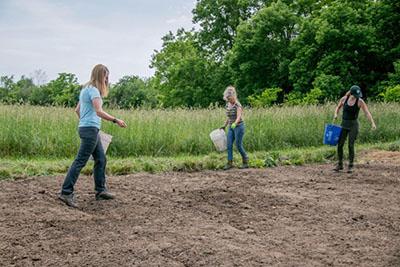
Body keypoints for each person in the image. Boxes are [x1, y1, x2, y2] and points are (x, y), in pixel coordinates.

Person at [59, 64, 127, 208]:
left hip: (88, 129)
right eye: (106, 76)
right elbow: (99, 111)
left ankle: (101, 190)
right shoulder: (94, 91)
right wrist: (116, 120)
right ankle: (66, 192)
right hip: (90, 130)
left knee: (101, 159)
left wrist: (86, 122)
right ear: (100, 76)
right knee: (80, 161)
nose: (107, 79)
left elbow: (77, 110)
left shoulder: (85, 89)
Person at [333, 85, 376, 173]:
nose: (357, 97)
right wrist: (336, 114)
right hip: (344, 124)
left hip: (353, 125)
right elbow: (338, 107)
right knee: (340, 144)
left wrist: (372, 123)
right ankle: (340, 164)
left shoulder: (360, 102)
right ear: (351, 93)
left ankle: (351, 166)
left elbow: (367, 113)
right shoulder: (344, 99)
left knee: (350, 145)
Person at [220, 86, 249, 170]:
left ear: (233, 96)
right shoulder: (228, 105)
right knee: (229, 145)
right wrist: (224, 125)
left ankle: (245, 160)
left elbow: (239, 116)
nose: (229, 100)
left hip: (239, 127)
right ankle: (229, 163)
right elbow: (228, 117)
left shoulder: (237, 105)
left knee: (238, 145)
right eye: (227, 99)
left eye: (230, 98)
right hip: (231, 127)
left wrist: (235, 123)